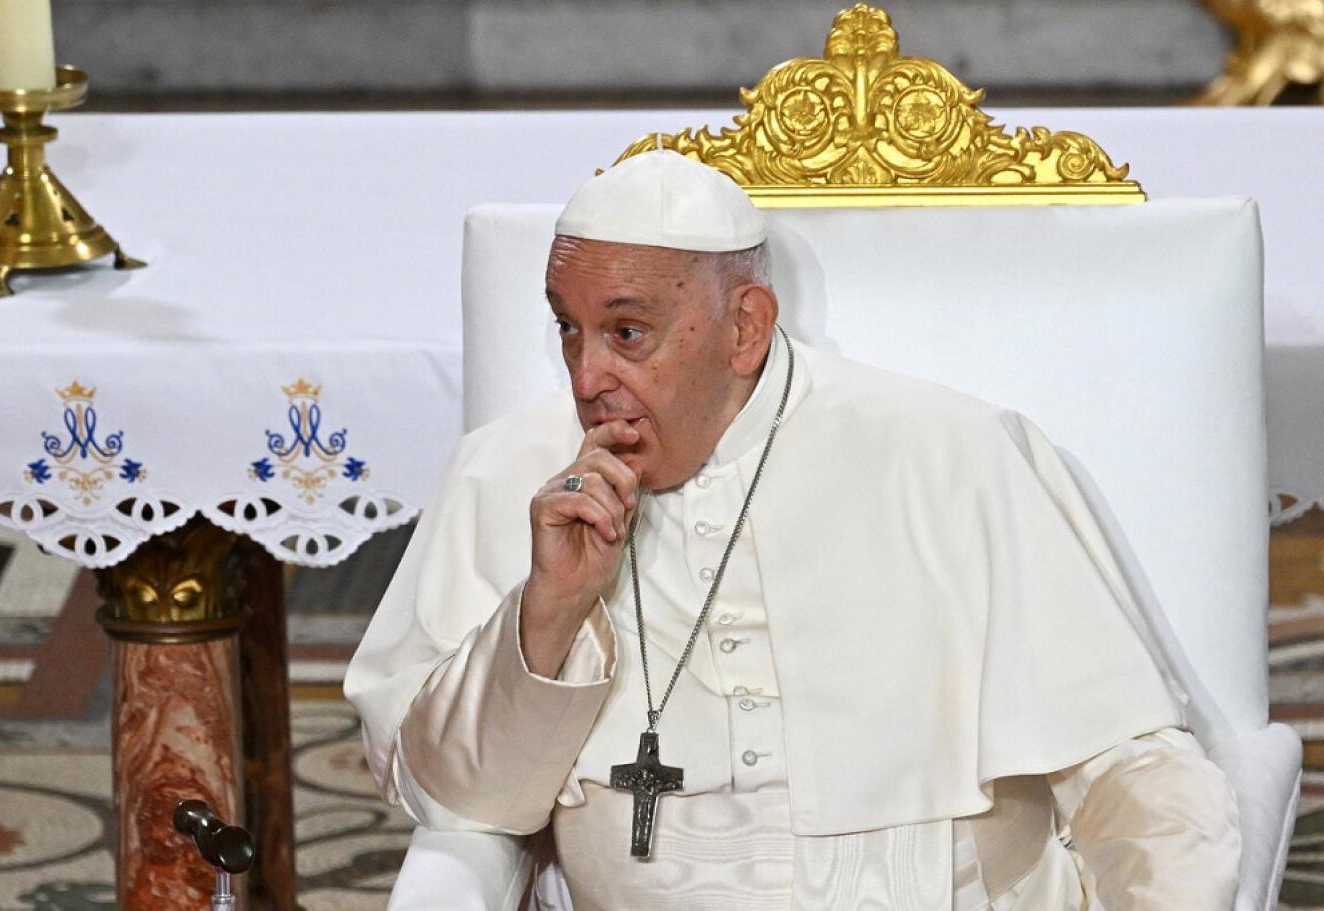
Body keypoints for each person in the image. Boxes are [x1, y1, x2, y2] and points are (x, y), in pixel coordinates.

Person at [345, 150, 1241, 909]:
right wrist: (547, 613)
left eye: (627, 333)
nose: (586, 378)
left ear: (746, 328)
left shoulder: (952, 454)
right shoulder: (506, 474)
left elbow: (1137, 773)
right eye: (568, 330)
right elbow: (456, 802)